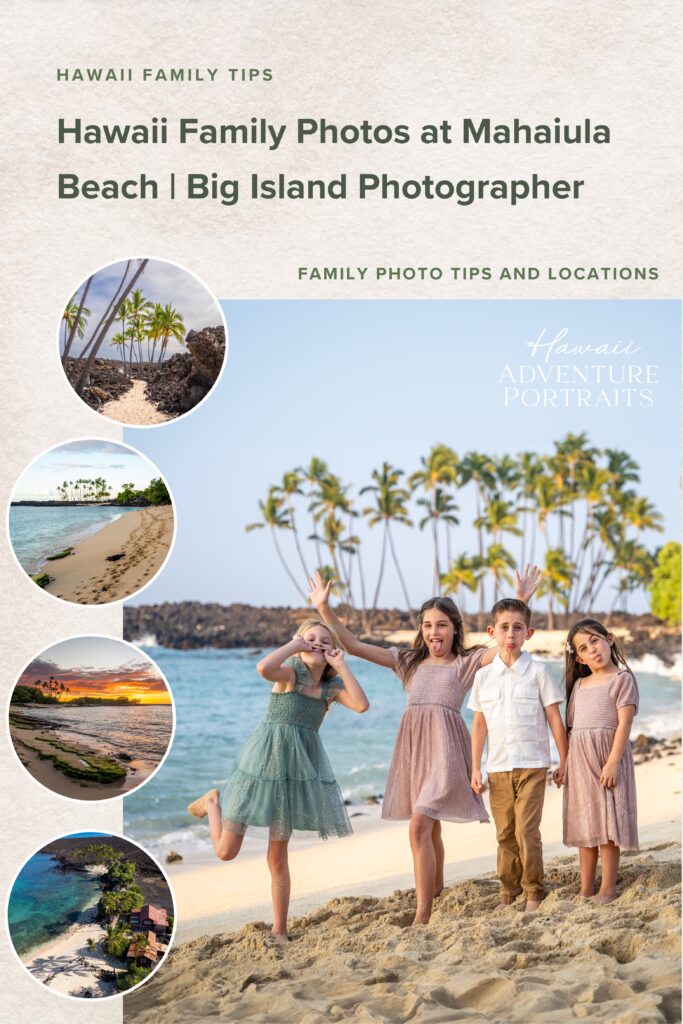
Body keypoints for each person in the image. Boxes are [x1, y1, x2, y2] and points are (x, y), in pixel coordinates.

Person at [309, 565, 542, 925]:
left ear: (454, 629)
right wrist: (324, 609)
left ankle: (423, 912)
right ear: (422, 629)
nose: (434, 631)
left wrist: (521, 598)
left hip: (448, 752)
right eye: (428, 625)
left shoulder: (466, 663)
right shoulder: (407, 662)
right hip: (415, 751)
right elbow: (352, 645)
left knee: (418, 826)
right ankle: (436, 889)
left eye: (442, 624)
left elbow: (504, 640)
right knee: (430, 828)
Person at [187, 619, 369, 943]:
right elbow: (262, 668)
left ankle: (279, 929)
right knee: (226, 852)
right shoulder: (289, 675)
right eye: (310, 638)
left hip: (294, 776)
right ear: (300, 643)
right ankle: (213, 802)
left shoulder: (330, 689)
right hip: (261, 767)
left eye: (323, 640)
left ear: (332, 648)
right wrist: (294, 645)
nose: (316, 643)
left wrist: (342, 666)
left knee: (277, 857)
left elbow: (362, 705)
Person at [468, 598, 567, 912]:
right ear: (492, 632)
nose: (510, 633)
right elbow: (479, 724)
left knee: (526, 830)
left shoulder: (538, 671)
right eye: (504, 627)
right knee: (505, 833)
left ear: (529, 633)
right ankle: (508, 893)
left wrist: (564, 760)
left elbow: (554, 718)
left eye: (517, 627)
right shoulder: (483, 677)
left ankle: (534, 891)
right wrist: (475, 769)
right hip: (497, 768)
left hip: (534, 765)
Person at [563, 617, 639, 903]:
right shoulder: (579, 687)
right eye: (584, 647)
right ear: (579, 658)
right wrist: (565, 764)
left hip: (609, 758)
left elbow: (624, 725)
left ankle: (607, 889)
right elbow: (573, 730)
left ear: (609, 639)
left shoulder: (622, 679)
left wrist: (611, 762)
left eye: (595, 640)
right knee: (587, 824)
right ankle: (585, 888)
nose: (592, 649)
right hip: (581, 763)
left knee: (608, 826)